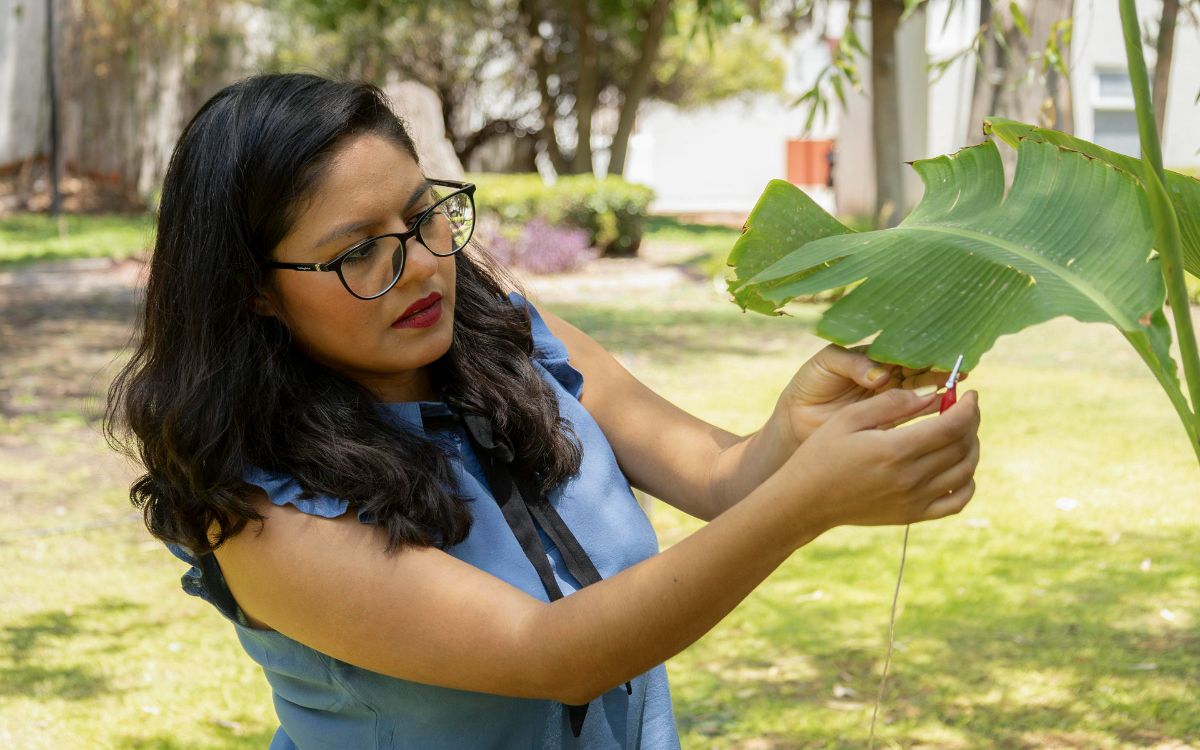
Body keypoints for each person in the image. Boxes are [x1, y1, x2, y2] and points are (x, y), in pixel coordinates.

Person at [104, 72, 981, 750]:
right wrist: (810, 504)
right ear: (254, 292)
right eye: (360, 252)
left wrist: (798, 428)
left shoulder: (516, 340)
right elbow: (551, 655)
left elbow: (719, 477)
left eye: (425, 217)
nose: (420, 267)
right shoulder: (261, 514)